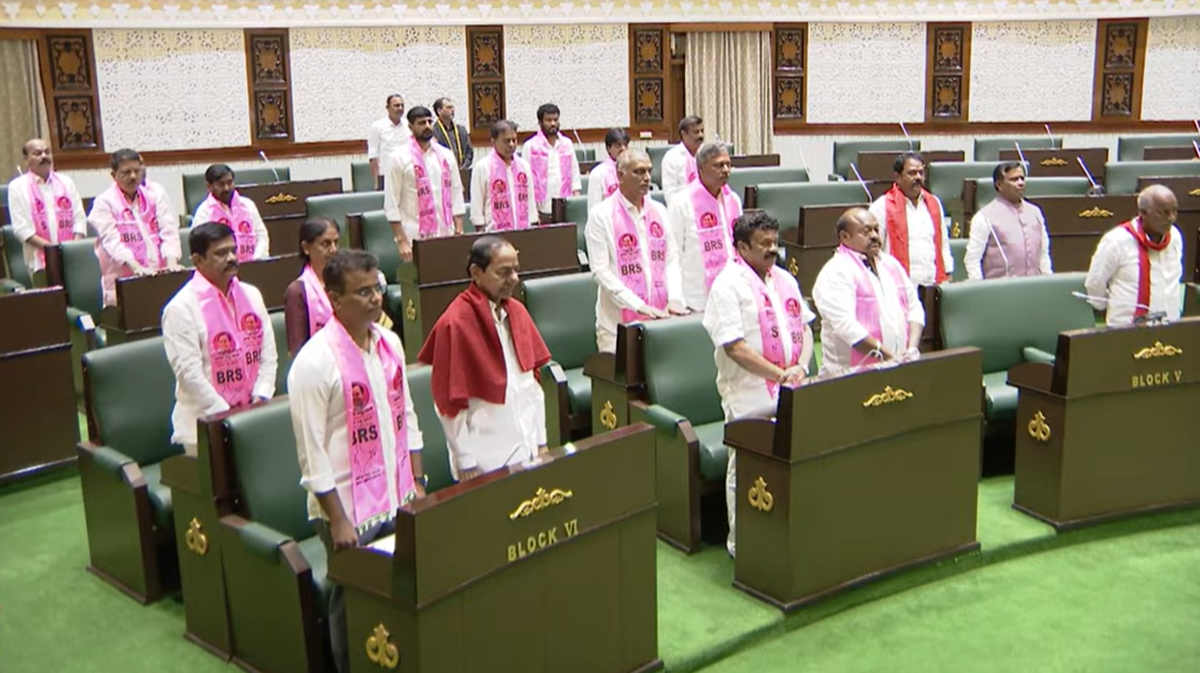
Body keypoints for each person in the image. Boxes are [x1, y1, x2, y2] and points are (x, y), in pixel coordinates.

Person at [287, 249, 425, 673]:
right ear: (334, 298)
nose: (375, 299)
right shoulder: (314, 362)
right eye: (362, 292)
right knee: (349, 598)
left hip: (397, 492)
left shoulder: (390, 343)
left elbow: (408, 415)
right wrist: (338, 518)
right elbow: (311, 451)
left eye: (377, 288)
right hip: (346, 506)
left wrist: (417, 481)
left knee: (397, 592)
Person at [703, 210, 814, 558]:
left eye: (775, 242)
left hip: (790, 386)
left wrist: (800, 365)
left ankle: (785, 535)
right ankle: (743, 544)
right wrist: (779, 374)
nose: (773, 250)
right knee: (747, 466)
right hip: (748, 393)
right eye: (764, 244)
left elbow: (807, 327)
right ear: (741, 247)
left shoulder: (784, 279)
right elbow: (735, 347)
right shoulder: (727, 285)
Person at [416, 236, 551, 481]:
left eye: (516, 270)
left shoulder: (517, 312)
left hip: (527, 445)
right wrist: (466, 461)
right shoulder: (456, 323)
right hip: (485, 458)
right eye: (504, 272)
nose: (514, 279)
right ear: (476, 273)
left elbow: (533, 385)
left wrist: (541, 440)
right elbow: (448, 403)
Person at [162, 223, 277, 457]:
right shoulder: (181, 308)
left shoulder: (252, 295)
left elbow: (268, 355)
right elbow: (189, 375)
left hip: (254, 415)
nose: (232, 258)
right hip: (205, 425)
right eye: (221, 253)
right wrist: (229, 417)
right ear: (197, 260)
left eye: (233, 250)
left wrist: (260, 398)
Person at [584, 148, 686, 353]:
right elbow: (600, 271)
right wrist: (638, 305)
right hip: (617, 325)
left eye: (648, 171)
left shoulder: (660, 210)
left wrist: (675, 297)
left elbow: (672, 258)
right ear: (620, 176)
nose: (647, 177)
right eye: (638, 172)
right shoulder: (601, 215)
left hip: (660, 318)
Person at [812, 207, 924, 375]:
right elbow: (845, 325)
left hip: (898, 365)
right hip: (849, 375)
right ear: (844, 237)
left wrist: (912, 350)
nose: (874, 236)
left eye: (876, 229)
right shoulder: (835, 271)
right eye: (866, 231)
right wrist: (887, 356)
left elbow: (914, 307)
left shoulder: (891, 264)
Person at [89, 148, 183, 305]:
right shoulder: (104, 203)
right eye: (126, 172)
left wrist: (171, 263)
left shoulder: (154, 198)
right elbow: (111, 241)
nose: (132, 177)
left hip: (157, 277)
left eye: (136, 171)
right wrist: (136, 267)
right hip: (123, 282)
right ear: (113, 175)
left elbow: (169, 232)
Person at [1084, 184, 1182, 326]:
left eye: (1174, 211)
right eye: (1164, 213)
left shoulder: (1175, 236)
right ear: (1143, 212)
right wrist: (1108, 306)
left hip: (1169, 326)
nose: (1171, 218)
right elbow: (1094, 283)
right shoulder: (1116, 240)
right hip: (1126, 330)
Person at [384, 106, 466, 263]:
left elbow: (456, 192)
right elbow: (391, 204)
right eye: (422, 123)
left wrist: (459, 228)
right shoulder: (398, 158)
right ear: (410, 127)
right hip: (414, 236)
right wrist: (401, 240)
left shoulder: (446, 155)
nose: (427, 126)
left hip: (446, 233)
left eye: (429, 122)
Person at [667, 142, 743, 311]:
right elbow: (673, 255)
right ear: (700, 169)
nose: (726, 170)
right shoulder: (682, 203)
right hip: (697, 298)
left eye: (728, 165)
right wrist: (675, 298)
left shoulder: (733, 200)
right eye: (718, 165)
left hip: (732, 292)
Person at [6, 138, 87, 283]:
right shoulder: (17, 187)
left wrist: (73, 248)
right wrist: (53, 251)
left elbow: (79, 219)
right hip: (40, 262)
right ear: (26, 159)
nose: (44, 156)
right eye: (37, 153)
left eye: (47, 152)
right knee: (50, 304)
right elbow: (22, 229)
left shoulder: (66, 182)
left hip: (72, 260)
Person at [867, 151, 953, 286]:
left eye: (921, 173)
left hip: (933, 284)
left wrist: (948, 273)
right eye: (912, 173)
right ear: (898, 177)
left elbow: (943, 243)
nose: (918, 177)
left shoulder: (934, 203)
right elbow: (873, 251)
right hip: (896, 286)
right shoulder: (881, 206)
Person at [964, 162, 1052, 280]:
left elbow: (1043, 254)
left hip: (1034, 288)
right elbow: (972, 259)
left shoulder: (1035, 212)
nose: (1020, 183)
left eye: (1022, 178)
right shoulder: (984, 217)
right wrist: (979, 290)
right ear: (999, 185)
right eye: (1014, 179)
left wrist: (1047, 280)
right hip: (1000, 291)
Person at [284, 217, 340, 357]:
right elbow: (298, 351)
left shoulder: (347, 281)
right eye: (325, 244)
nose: (333, 250)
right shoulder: (297, 291)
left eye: (336, 243)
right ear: (306, 248)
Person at [192, 164, 270, 262]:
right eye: (221, 184)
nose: (226, 188)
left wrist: (257, 260)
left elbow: (262, 236)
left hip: (252, 265)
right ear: (209, 187)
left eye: (230, 182)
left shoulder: (248, 205)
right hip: (220, 271)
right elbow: (201, 248)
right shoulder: (204, 212)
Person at [469, 120, 537, 232]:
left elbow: (530, 200)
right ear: (493, 142)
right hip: (493, 233)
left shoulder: (524, 166)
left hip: (522, 230)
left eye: (514, 140)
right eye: (506, 141)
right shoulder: (482, 167)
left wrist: (533, 223)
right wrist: (480, 229)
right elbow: (477, 204)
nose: (511, 144)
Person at [521, 103, 581, 222]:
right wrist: (532, 211)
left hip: (565, 204)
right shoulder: (530, 146)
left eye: (555, 119)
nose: (553, 123)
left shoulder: (567, 144)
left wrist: (576, 198)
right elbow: (525, 180)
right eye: (548, 120)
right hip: (541, 208)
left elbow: (574, 172)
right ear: (540, 123)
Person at [366, 94, 411, 188]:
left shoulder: (409, 125)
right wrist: (376, 181)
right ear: (387, 108)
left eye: (402, 105)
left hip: (407, 174)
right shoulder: (377, 126)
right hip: (386, 176)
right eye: (396, 105)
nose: (400, 108)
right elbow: (373, 155)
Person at [661, 115, 705, 204]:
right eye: (696, 132)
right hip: (682, 209)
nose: (700, 135)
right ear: (684, 134)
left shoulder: (706, 155)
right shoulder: (672, 157)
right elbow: (670, 193)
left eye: (702, 131)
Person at [586, 128, 630, 213]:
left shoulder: (633, 171)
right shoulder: (598, 173)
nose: (623, 148)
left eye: (625, 145)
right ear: (608, 148)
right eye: (618, 145)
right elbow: (594, 210)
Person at [432, 97, 473, 170]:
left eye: (453, 107)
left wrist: (464, 166)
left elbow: (469, 152)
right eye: (448, 107)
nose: (452, 110)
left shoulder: (461, 130)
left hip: (462, 171)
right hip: (443, 171)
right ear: (439, 111)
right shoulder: (433, 132)